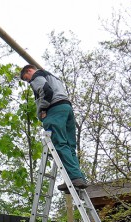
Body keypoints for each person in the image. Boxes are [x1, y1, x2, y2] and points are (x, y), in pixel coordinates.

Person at [20, 64, 87, 192]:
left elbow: (46, 90)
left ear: (29, 71)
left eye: (26, 78)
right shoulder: (53, 77)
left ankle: (74, 177)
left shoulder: (36, 76)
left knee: (59, 144)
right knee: (69, 145)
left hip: (54, 111)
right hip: (66, 108)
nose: (28, 81)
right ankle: (77, 178)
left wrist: (43, 109)